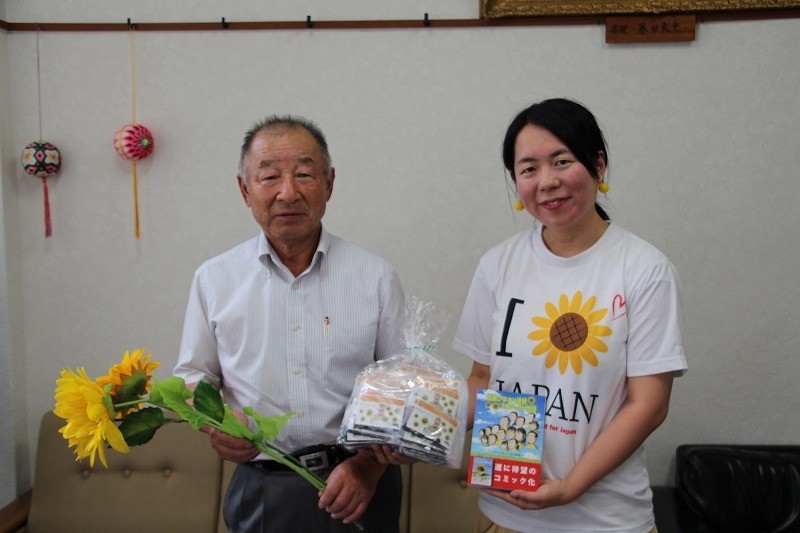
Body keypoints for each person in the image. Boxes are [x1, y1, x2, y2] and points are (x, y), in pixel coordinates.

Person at [452, 98, 687, 533]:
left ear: (598, 165)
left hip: (607, 520)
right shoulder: (498, 265)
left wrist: (570, 487)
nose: (547, 182)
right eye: (529, 169)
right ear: (516, 181)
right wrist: (418, 420)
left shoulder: (644, 269)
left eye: (562, 161)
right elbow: (483, 380)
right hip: (505, 512)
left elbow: (648, 406)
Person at [173, 115, 407, 532]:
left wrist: (369, 466)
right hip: (262, 484)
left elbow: (402, 389)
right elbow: (192, 376)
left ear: (330, 184)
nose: (287, 192)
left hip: (358, 485)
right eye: (269, 177)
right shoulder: (214, 278)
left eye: (304, 174)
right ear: (245, 190)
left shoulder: (375, 277)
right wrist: (216, 420)